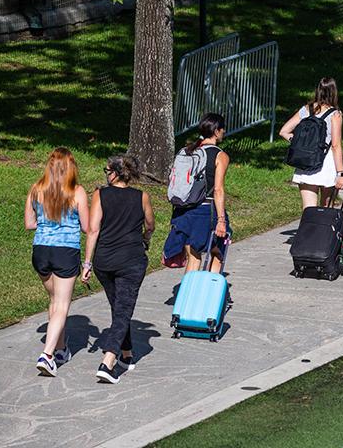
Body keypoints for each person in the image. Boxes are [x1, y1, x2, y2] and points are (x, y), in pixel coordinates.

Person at [81, 155, 154, 384]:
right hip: (131, 261)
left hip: (105, 262)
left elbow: (93, 230)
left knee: (119, 307)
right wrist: (146, 239)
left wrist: (87, 263)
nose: (106, 174)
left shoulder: (100, 195)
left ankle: (125, 353)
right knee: (122, 309)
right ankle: (108, 361)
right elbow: (150, 225)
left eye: (107, 170)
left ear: (115, 173)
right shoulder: (141, 197)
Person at [24, 147, 89, 377]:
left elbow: (29, 223)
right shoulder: (77, 192)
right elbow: (86, 227)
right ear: (71, 167)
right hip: (66, 251)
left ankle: (61, 348)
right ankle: (48, 355)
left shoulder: (36, 189)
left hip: (41, 250)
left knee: (54, 300)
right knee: (62, 305)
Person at [163, 113, 231, 274]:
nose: (224, 132)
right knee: (218, 252)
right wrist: (221, 220)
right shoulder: (220, 155)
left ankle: (187, 296)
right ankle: (209, 294)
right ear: (216, 131)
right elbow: (218, 189)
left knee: (194, 257)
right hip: (206, 211)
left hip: (184, 210)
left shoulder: (188, 151)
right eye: (222, 129)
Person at [280, 77, 343, 210]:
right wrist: (340, 174)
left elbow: (284, 131)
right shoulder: (335, 114)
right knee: (326, 207)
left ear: (318, 90)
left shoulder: (306, 109)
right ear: (334, 92)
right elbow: (336, 145)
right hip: (326, 164)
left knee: (308, 209)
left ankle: (308, 230)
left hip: (305, 163)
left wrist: (301, 142)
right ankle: (324, 231)